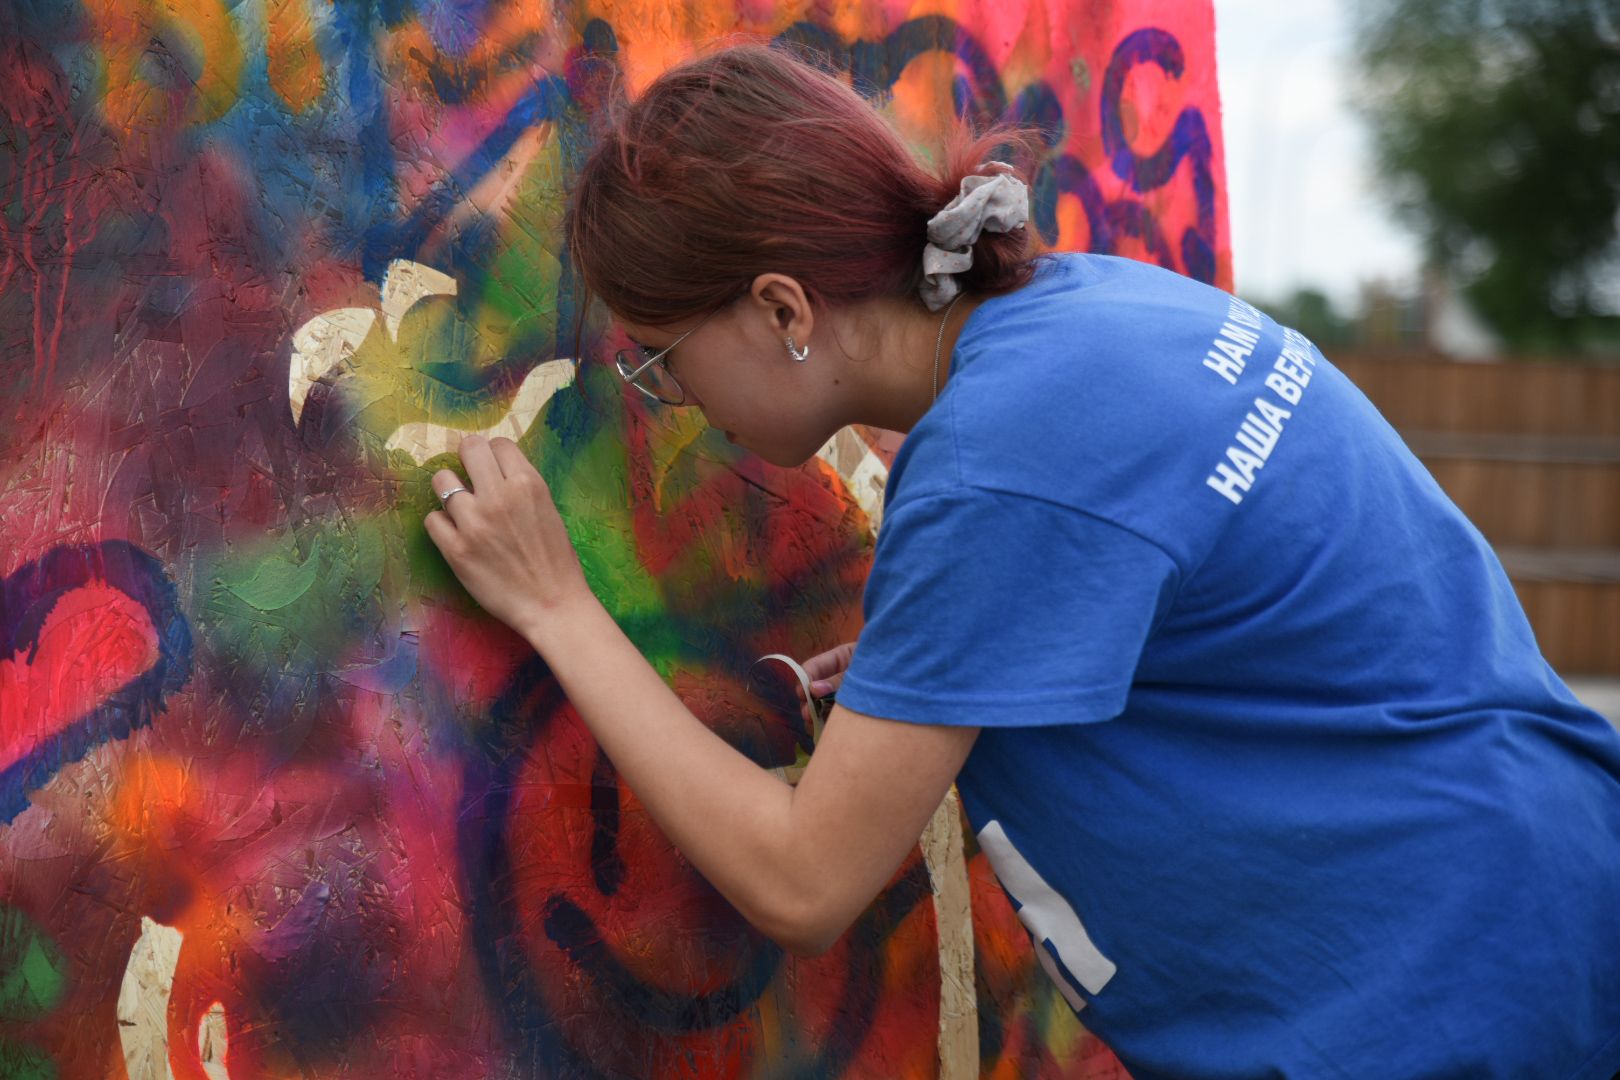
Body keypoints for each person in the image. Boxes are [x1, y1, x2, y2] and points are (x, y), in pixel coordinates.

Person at [422, 42, 1620, 1080]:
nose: (668, 400)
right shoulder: (1091, 315)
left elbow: (801, 882)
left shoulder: (998, 462)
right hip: (1536, 911)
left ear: (784, 312)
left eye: (661, 358)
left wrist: (557, 606)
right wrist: (967, 669)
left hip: (1445, 1003)